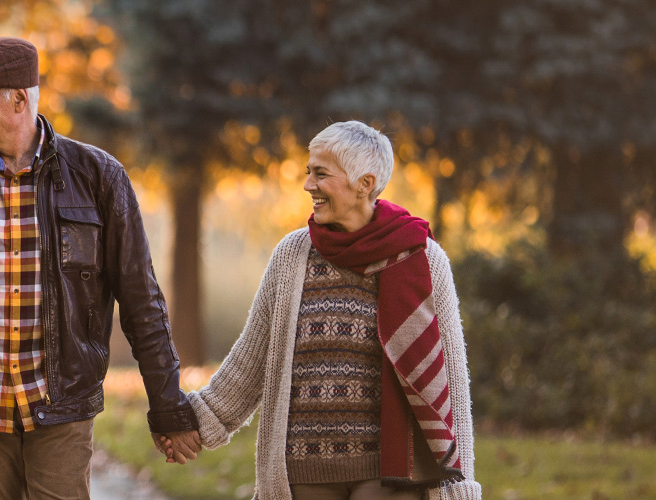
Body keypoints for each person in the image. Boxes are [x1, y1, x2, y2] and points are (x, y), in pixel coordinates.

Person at [0, 37, 201, 499]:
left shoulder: (99, 178)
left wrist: (167, 407)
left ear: (19, 98)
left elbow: (141, 301)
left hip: (62, 401)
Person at [180, 121, 481, 499]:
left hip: (389, 472)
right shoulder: (292, 256)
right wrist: (192, 420)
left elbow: (450, 380)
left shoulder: (421, 258)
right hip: (303, 470)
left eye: (321, 174)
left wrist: (459, 484)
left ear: (364, 184)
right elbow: (251, 358)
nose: (308, 185)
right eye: (309, 172)